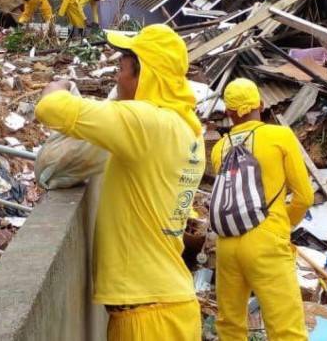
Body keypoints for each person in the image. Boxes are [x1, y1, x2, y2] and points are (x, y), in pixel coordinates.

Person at [35, 24, 205, 340]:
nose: (116, 78)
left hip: (147, 319)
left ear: (144, 75)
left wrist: (58, 84)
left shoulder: (147, 123)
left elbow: (51, 109)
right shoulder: (186, 128)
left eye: (121, 68)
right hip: (171, 306)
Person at [210, 78, 314, 341]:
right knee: (286, 329)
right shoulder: (279, 136)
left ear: (229, 113)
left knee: (230, 326)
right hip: (266, 240)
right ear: (261, 103)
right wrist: (281, 226)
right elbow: (304, 197)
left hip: (227, 244)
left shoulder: (220, 148)